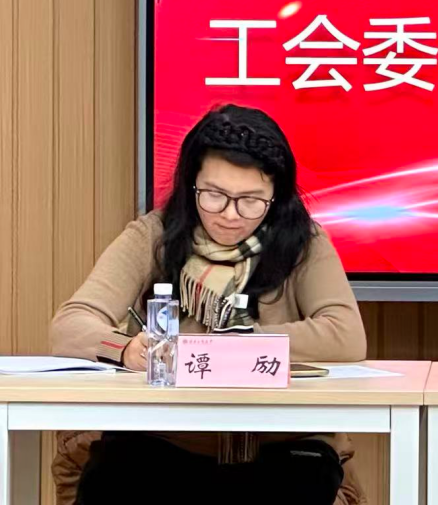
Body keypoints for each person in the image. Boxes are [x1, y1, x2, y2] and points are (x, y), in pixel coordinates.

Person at [50, 105, 368, 505]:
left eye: (251, 200)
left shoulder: (303, 242)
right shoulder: (155, 235)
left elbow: (345, 334)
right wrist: (127, 349)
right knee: (112, 480)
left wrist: (237, 345)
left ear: (276, 197)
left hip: (281, 446)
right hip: (163, 441)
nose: (231, 215)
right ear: (191, 186)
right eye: (215, 196)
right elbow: (71, 324)